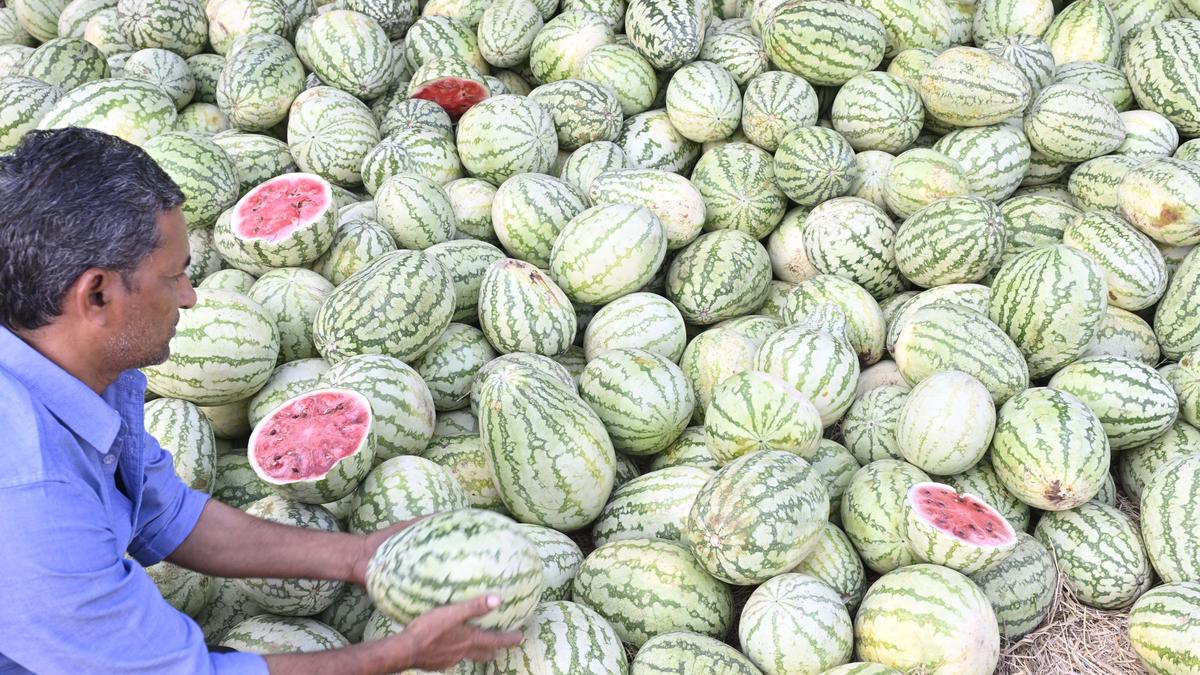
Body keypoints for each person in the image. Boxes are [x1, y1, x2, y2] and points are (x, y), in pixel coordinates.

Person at [0, 128, 522, 674]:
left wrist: (360, 555)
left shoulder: (78, 371)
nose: (190, 297)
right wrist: (400, 654)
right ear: (97, 294)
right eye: (174, 277)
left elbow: (166, 513)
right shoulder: (31, 501)